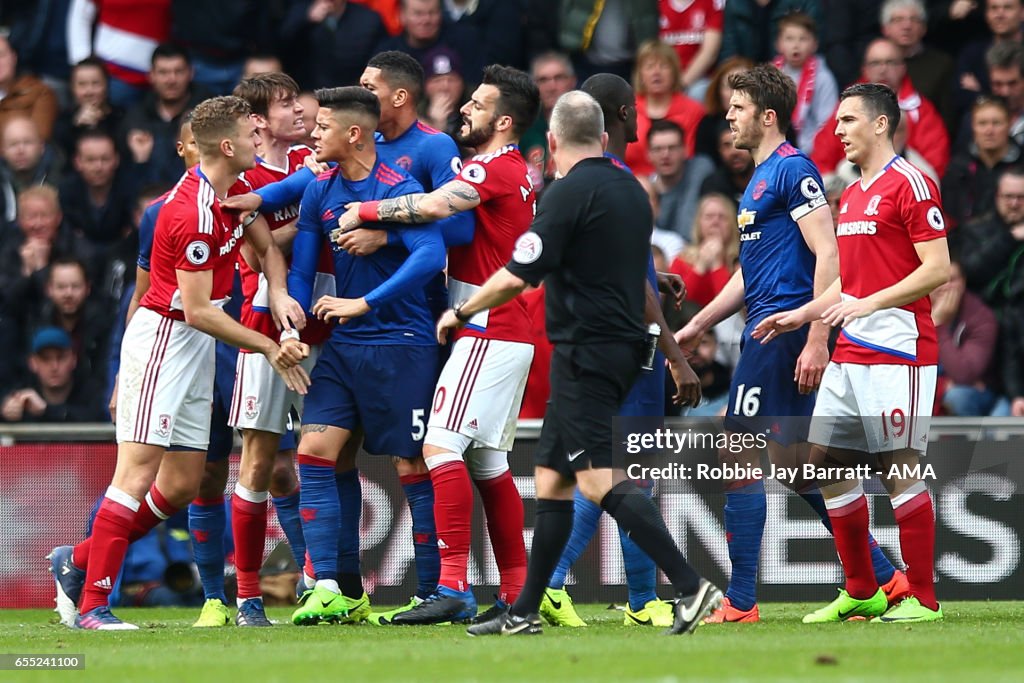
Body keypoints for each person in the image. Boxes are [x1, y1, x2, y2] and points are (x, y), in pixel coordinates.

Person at [438, 90, 718, 637]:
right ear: (607, 138)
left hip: (587, 350)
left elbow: (520, 272)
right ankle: (523, 612)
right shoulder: (634, 192)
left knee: (595, 479)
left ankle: (690, 585)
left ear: (553, 141)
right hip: (615, 348)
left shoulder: (564, 195)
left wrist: (463, 309)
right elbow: (626, 274)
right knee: (552, 480)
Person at [47, 95, 310, 630]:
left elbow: (267, 246)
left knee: (183, 485)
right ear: (229, 145)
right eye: (249, 130)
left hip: (196, 341)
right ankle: (94, 605)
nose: (259, 136)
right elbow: (193, 309)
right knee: (137, 474)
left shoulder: (236, 191)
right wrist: (265, 345)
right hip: (167, 336)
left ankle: (75, 562)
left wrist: (279, 294)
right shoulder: (188, 211)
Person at [675, 65, 905, 624]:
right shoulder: (756, 180)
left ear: (767, 115)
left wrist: (818, 337)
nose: (727, 115)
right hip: (773, 330)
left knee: (738, 456)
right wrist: (696, 325)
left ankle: (742, 601)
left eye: (738, 106)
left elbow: (830, 255)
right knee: (805, 468)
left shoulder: (792, 170)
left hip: (787, 334)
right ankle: (883, 576)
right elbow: (747, 273)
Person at [334, 64, 539, 627]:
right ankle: (519, 593)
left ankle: (451, 585)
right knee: (489, 463)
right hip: (510, 327)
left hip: (486, 326)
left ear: (502, 120)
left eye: (477, 102)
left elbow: (432, 206)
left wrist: (368, 211)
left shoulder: (491, 166)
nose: (465, 108)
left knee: (439, 448)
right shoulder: (518, 171)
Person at [754, 82, 949, 624]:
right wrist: (807, 312)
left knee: (897, 466)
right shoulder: (856, 191)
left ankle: (924, 599)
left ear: (881, 124)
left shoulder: (912, 184)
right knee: (828, 464)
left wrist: (867, 306)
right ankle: (863, 590)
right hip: (852, 349)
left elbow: (936, 270)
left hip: (899, 348)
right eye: (837, 122)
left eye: (847, 121)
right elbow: (852, 282)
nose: (836, 131)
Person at [537, 72, 702, 630]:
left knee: (610, 471)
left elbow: (614, 268)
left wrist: (654, 275)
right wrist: (676, 353)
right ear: (626, 114)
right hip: (631, 348)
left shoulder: (597, 177)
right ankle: (558, 585)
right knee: (611, 474)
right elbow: (626, 285)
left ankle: (639, 599)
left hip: (607, 342)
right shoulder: (616, 177)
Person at [283, 86, 446, 626]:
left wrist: (365, 299)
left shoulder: (399, 188)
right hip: (345, 345)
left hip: (402, 344)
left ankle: (429, 590)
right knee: (316, 451)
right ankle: (332, 586)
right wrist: (295, 322)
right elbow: (304, 267)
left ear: (353, 133)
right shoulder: (320, 190)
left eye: (322, 126)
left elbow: (432, 254)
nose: (312, 134)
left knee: (409, 462)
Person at [217, 73, 327, 627]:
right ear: (258, 121)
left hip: (324, 316)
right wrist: (311, 209)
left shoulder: (319, 158)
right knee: (262, 464)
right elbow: (258, 258)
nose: (300, 109)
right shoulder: (244, 180)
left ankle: (320, 578)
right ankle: (247, 596)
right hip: (263, 317)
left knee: (327, 453)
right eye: (286, 103)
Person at [625, 40, 704, 176]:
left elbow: (691, 157)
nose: (656, 72)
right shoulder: (626, 109)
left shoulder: (694, 111)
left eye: (664, 66)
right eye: (649, 67)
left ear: (675, 72)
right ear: (640, 74)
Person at [943, 96, 1022, 228]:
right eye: (982, 123)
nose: (989, 131)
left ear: (1009, 124)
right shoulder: (958, 167)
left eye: (996, 123)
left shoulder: (1021, 162)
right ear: (973, 126)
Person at [1, 326, 106, 423]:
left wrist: (46, 410)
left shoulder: (92, 393)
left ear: (74, 360)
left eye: (61, 358)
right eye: (45, 359)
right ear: (32, 363)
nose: (54, 367)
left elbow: (96, 419)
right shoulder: (21, 395)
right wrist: (6, 411)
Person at [772, 11, 838, 154]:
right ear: (778, 44)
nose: (796, 45)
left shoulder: (823, 78)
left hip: (809, 152)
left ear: (814, 45)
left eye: (803, 39)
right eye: (789, 39)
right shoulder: (770, 76)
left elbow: (826, 124)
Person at [647, 119, 714, 241]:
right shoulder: (647, 189)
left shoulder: (699, 169)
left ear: (685, 150)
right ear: (648, 154)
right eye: (658, 149)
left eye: (672, 148)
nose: (665, 155)